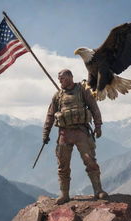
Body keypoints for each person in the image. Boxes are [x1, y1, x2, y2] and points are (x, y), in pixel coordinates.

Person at [43, 69, 108, 204]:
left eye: (62, 78)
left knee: (90, 160)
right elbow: (50, 115)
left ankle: (98, 190)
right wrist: (46, 133)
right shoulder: (57, 96)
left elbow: (94, 108)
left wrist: (98, 125)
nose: (60, 80)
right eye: (59, 78)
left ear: (70, 77)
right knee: (63, 165)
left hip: (81, 132)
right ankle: (64, 194)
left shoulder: (83, 91)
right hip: (64, 134)